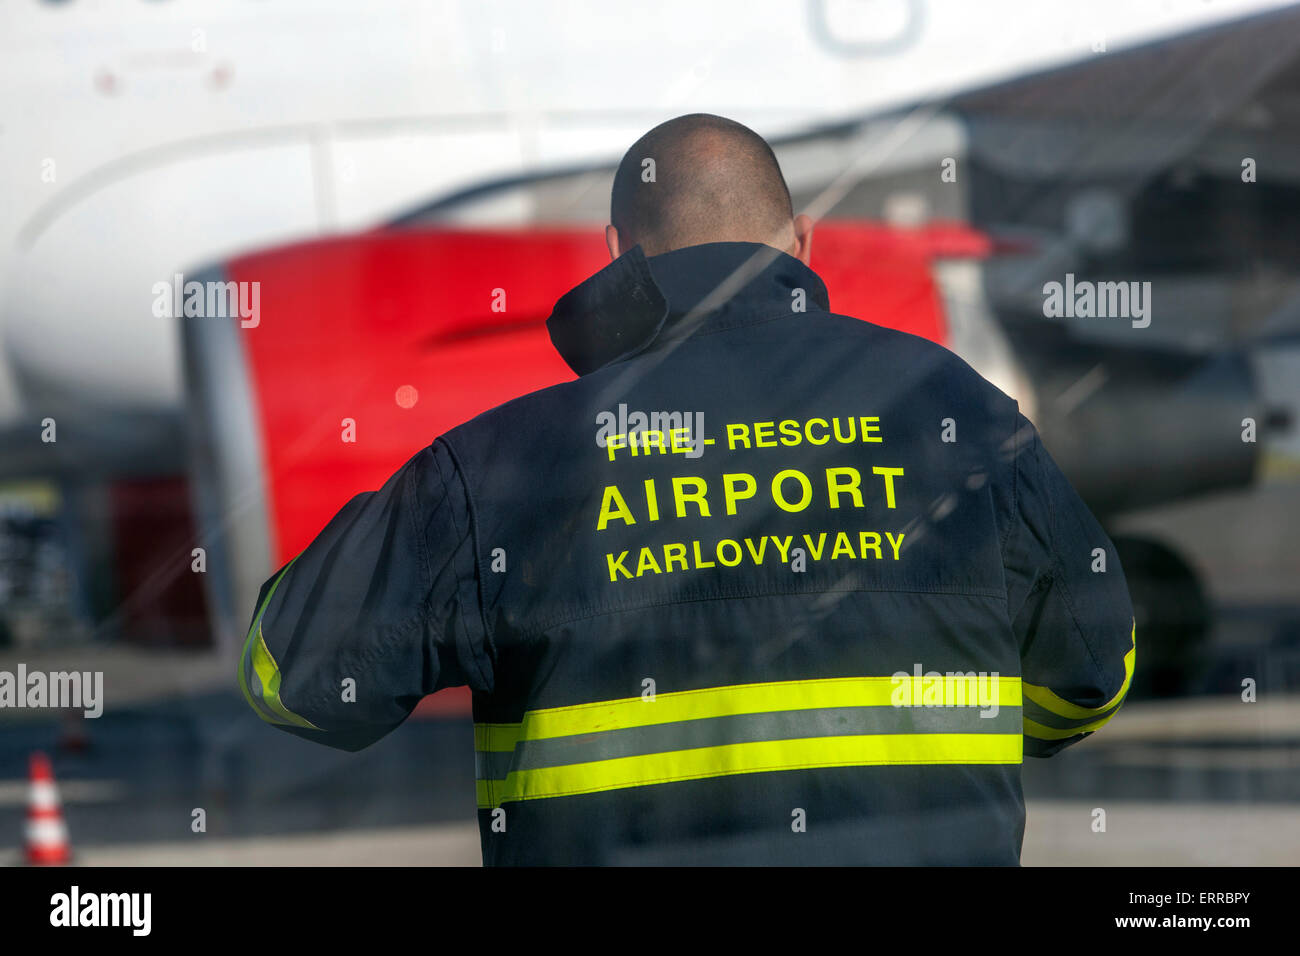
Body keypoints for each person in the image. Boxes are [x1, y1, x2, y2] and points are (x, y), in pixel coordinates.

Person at [239, 113, 1135, 865]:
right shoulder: (956, 407)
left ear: (616, 253)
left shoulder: (501, 460)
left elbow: (292, 677)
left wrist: (404, 529)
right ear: (802, 243)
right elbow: (1096, 667)